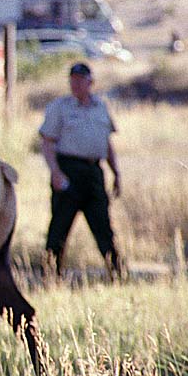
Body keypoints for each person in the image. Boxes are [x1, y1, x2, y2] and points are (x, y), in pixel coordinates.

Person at [39, 62, 125, 280]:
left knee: (103, 226)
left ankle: (117, 273)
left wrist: (116, 173)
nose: (75, 84)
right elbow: (47, 142)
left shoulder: (101, 107)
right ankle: (51, 275)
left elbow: (106, 144)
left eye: (80, 80)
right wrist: (55, 172)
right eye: (72, 80)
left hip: (94, 171)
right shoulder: (61, 107)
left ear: (90, 82)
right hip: (69, 169)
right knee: (59, 226)